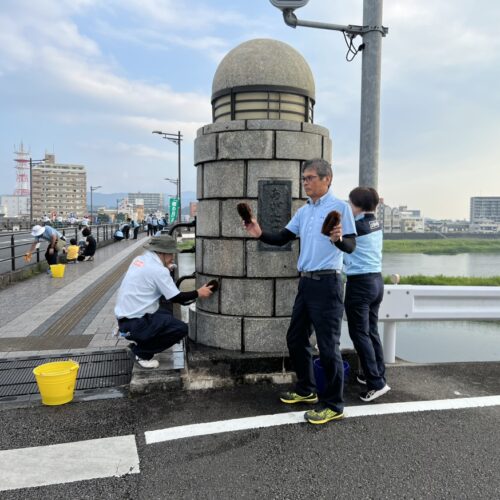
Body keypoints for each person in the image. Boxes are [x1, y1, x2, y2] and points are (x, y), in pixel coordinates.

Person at [244, 158, 356, 425]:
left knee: (328, 347)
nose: (305, 182)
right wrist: (260, 233)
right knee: (295, 338)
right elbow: (283, 237)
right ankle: (307, 389)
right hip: (305, 283)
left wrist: (338, 240)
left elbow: (351, 246)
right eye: (303, 178)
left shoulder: (340, 208)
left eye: (309, 177)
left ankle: (334, 404)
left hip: (328, 283)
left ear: (326, 178)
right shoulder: (304, 211)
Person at [114, 234, 214, 368]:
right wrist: (199, 292)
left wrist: (166, 268)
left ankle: (141, 340)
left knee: (166, 316)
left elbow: (148, 276)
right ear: (162, 252)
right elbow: (176, 297)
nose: (173, 257)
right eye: (171, 254)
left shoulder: (140, 259)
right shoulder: (158, 270)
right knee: (181, 329)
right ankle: (141, 353)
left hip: (124, 320)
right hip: (135, 324)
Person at [343, 187, 390, 402]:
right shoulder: (375, 222)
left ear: (358, 206)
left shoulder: (356, 226)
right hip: (376, 282)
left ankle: (376, 383)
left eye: (351, 203)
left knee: (359, 334)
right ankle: (377, 374)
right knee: (371, 331)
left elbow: (341, 244)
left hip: (360, 284)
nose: (349, 207)